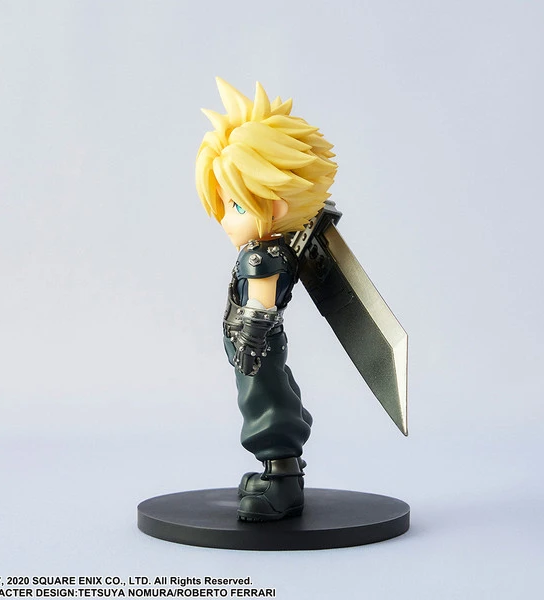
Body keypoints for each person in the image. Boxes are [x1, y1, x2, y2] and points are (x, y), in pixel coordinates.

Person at [195, 78, 337, 521]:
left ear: (275, 206)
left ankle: (282, 482)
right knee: (267, 394)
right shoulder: (273, 248)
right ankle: (277, 473)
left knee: (264, 399)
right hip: (253, 344)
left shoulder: (261, 256)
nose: (225, 219)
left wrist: (250, 343)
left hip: (255, 345)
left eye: (235, 206)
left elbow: (261, 307)